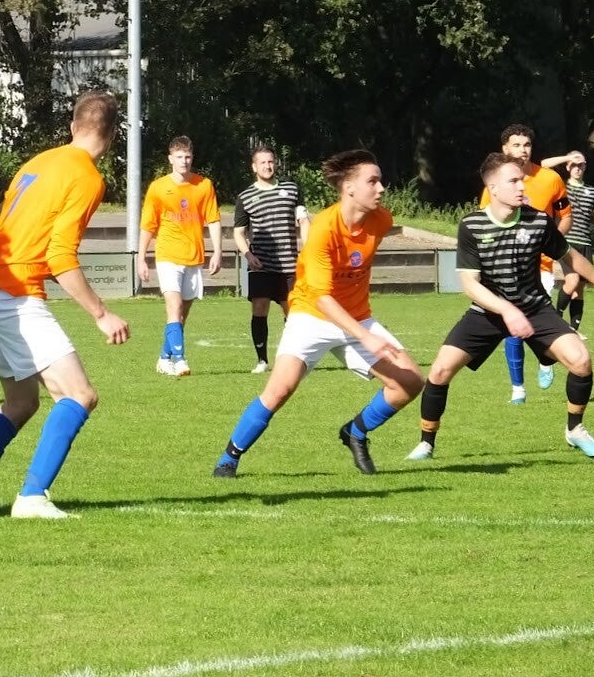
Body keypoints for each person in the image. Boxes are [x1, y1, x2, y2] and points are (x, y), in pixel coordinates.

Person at [0, 91, 130, 519]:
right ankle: (31, 498)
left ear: (73, 126)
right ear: (113, 135)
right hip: (13, 293)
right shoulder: (87, 177)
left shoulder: (38, 162)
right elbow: (60, 256)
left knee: (21, 403)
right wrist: (101, 314)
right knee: (79, 394)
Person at [212, 150, 424, 478]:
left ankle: (355, 431)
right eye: (373, 181)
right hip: (311, 315)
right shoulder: (323, 228)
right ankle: (229, 458)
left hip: (356, 317)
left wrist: (362, 328)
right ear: (349, 188)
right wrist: (366, 336)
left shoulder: (381, 220)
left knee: (409, 382)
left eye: (380, 181)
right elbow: (323, 299)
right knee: (279, 390)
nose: (381, 188)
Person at [407, 153, 594, 462]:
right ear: (493, 188)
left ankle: (575, 430)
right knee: (440, 371)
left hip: (535, 309)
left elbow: (571, 258)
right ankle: (426, 443)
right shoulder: (471, 225)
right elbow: (470, 284)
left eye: (522, 180)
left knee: (581, 360)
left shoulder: (538, 221)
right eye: (514, 181)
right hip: (486, 313)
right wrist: (506, 310)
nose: (522, 186)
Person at [478, 124, 571, 399]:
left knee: (536, 322)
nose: (522, 150)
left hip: (540, 267)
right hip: (506, 269)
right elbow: (486, 224)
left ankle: (545, 359)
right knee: (512, 324)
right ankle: (517, 388)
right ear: (505, 148)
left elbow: (566, 216)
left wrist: (549, 244)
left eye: (527, 144)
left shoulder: (551, 179)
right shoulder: (494, 185)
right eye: (516, 145)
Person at [136, 136, 222, 377]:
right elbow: (148, 225)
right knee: (173, 308)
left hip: (194, 257)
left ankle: (164, 358)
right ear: (170, 159)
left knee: (182, 314)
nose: (184, 161)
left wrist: (217, 251)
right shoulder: (158, 187)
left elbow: (213, 219)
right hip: (167, 256)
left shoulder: (204, 185)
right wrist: (141, 257)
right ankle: (180, 360)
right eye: (179, 157)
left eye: (188, 156)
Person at [232, 145, 310, 373]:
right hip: (261, 264)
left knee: (293, 312)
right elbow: (238, 232)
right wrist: (248, 255)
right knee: (259, 308)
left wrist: (308, 248)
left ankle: (294, 359)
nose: (267, 166)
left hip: (289, 263)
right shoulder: (245, 197)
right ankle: (262, 361)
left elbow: (303, 220)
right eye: (263, 162)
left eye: (270, 161)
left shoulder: (292, 189)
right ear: (254, 167)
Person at [539, 151, 594, 340]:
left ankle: (573, 330)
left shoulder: (592, 191)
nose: (577, 168)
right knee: (572, 280)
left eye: (580, 164)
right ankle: (557, 319)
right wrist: (568, 157)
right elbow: (543, 164)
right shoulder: (561, 186)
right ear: (568, 167)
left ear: (585, 166)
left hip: (585, 243)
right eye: (573, 164)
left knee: (579, 290)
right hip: (566, 241)